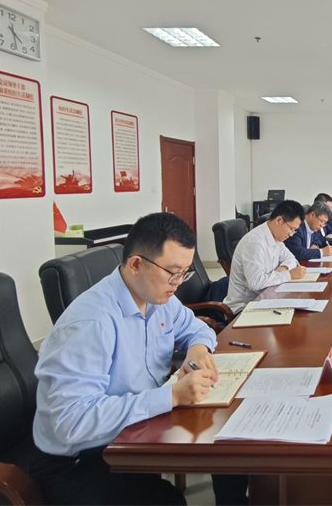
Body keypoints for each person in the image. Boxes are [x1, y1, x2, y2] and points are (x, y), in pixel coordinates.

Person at [30, 213, 218, 505]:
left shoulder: (159, 298)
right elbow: (72, 422)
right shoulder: (91, 322)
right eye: (172, 273)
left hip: (130, 437)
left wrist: (198, 349)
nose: (178, 284)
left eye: (185, 273)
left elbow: (197, 328)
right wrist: (172, 396)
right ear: (136, 264)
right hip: (78, 462)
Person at [223, 199, 307, 314]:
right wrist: (288, 275)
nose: (291, 234)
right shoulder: (255, 242)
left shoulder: (276, 237)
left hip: (267, 297)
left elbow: (292, 259)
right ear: (279, 220)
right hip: (245, 307)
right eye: (291, 229)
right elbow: (255, 283)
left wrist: (283, 269)